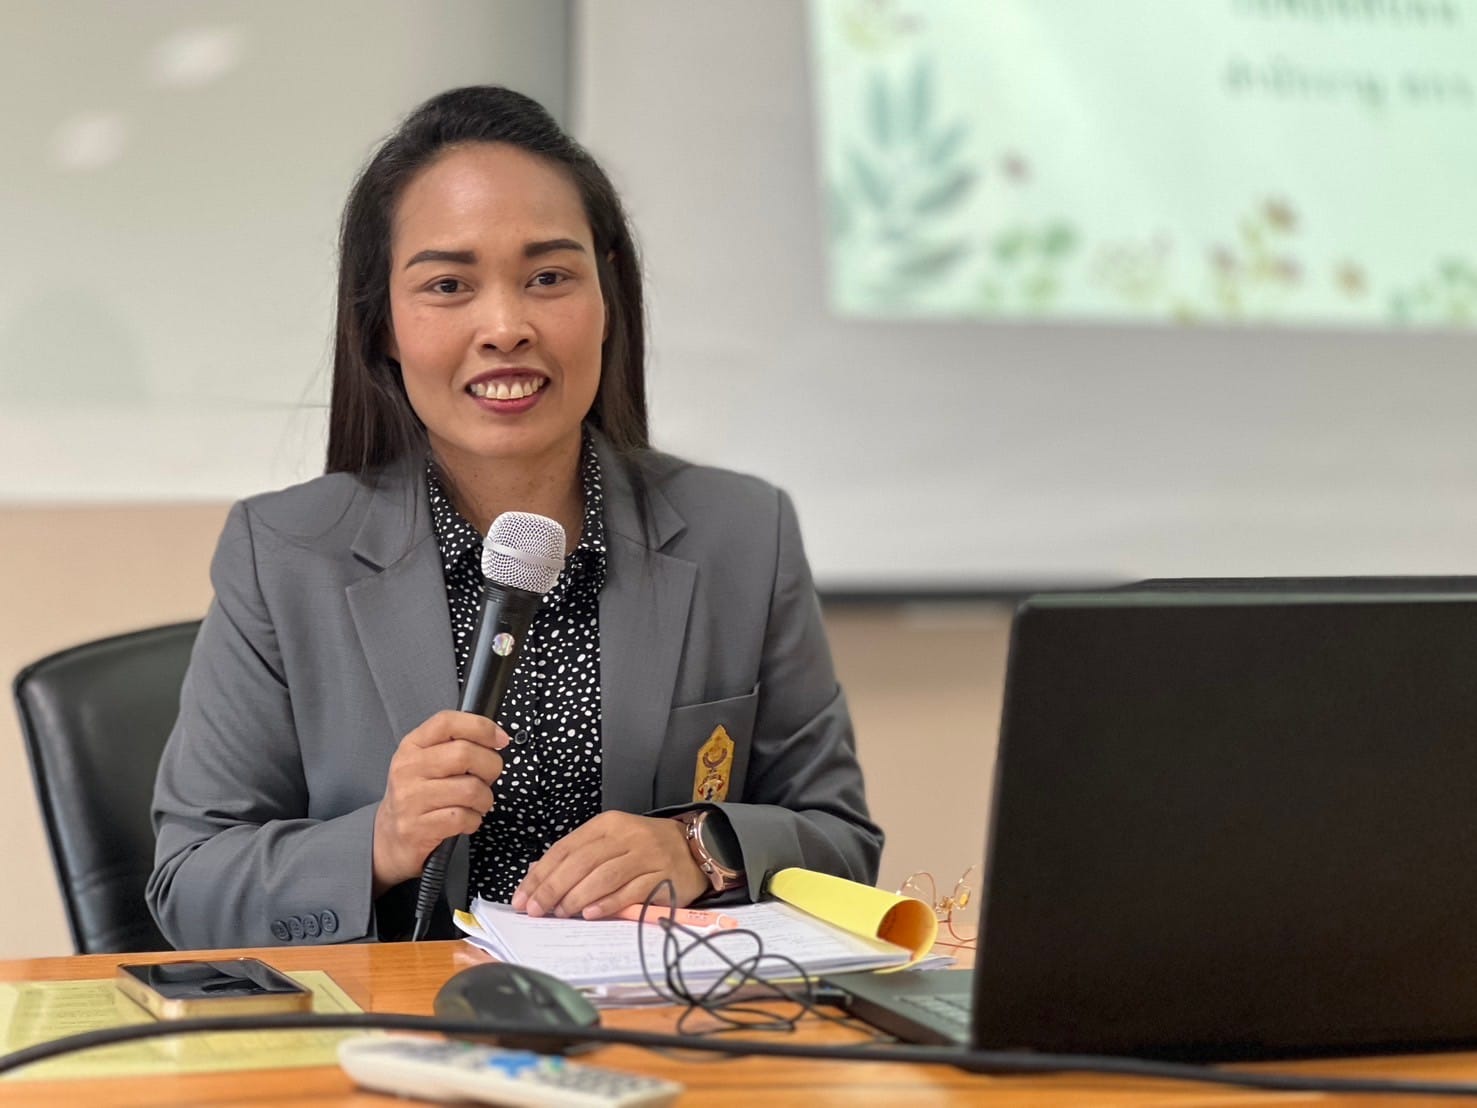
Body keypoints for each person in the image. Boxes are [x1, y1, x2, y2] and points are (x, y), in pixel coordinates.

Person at [147, 86, 882, 949]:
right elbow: (189, 885)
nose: (505, 326)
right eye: (448, 285)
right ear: (382, 324)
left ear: (606, 298)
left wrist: (698, 847)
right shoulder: (284, 555)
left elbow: (842, 844)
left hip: (653, 1016)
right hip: (406, 1019)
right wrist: (379, 842)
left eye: (548, 278)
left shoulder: (742, 533)